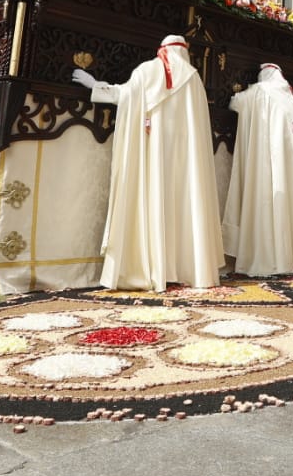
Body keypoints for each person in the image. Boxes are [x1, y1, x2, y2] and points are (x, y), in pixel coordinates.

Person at [72, 36, 223, 290]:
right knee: (187, 203)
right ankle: (191, 268)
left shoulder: (147, 71)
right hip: (187, 163)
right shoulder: (195, 78)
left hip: (153, 153)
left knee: (154, 199)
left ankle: (155, 267)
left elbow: (124, 95)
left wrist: (95, 85)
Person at [223, 63, 293, 276]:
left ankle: (271, 258)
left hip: (267, 158)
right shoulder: (291, 96)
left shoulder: (259, 91)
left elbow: (234, 104)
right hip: (292, 164)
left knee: (269, 199)